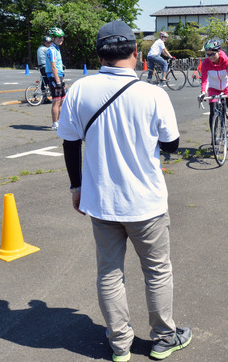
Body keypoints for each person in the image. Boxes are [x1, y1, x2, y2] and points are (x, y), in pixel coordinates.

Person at [57, 20, 190, 362]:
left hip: (101, 202)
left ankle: (120, 344)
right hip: (146, 203)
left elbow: (70, 143)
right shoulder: (153, 94)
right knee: (157, 270)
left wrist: (77, 188)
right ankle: (163, 338)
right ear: (136, 53)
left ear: (98, 54)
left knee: (109, 273)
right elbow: (172, 145)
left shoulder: (80, 91)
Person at [199, 39, 228, 133]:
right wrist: (203, 92)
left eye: (213, 54)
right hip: (213, 89)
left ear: (219, 51)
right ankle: (213, 134)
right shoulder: (205, 64)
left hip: (226, 87)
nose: (210, 57)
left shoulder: (227, 61)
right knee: (213, 111)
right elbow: (204, 80)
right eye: (208, 54)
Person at [46, 27, 66, 130]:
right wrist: (58, 81)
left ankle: (59, 121)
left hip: (59, 76)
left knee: (62, 100)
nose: (61, 39)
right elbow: (53, 66)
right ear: (52, 38)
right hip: (54, 77)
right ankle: (54, 124)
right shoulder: (52, 50)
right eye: (58, 38)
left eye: (61, 37)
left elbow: (56, 64)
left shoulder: (56, 49)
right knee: (56, 101)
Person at [36, 35, 53, 103]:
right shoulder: (46, 49)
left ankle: (44, 97)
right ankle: (51, 94)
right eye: (48, 42)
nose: (49, 44)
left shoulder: (40, 48)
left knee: (44, 82)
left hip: (41, 67)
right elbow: (52, 58)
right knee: (51, 80)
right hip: (46, 66)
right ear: (44, 42)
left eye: (50, 42)